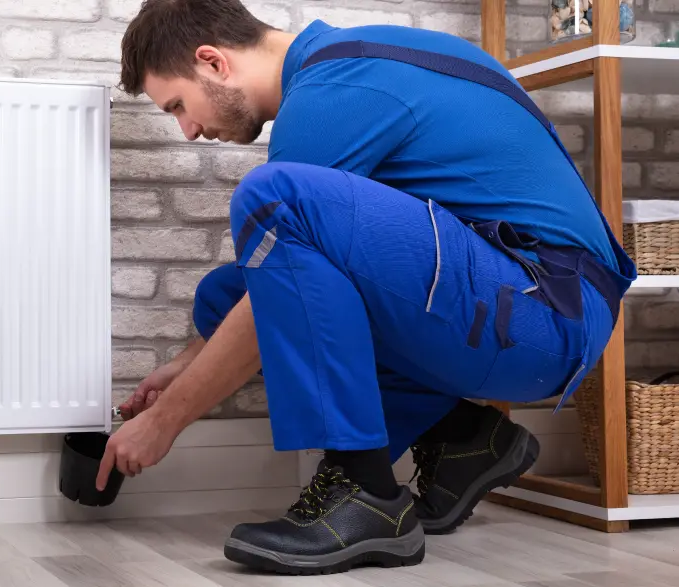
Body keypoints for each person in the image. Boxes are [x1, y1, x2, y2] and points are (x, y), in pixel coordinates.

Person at [98, 0, 636, 576]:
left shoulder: (331, 93)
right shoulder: (353, 61)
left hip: (547, 315)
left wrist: (164, 421)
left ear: (213, 62)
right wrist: (185, 365)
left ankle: (365, 492)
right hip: (526, 305)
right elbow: (287, 281)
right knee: (225, 297)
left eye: (178, 105)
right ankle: (462, 441)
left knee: (275, 200)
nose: (190, 130)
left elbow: (282, 258)